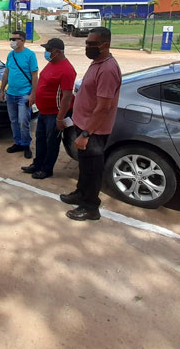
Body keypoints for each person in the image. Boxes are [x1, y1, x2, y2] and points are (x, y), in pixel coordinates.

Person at [60, 27, 121, 221]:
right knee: (85, 167)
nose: (87, 47)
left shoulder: (108, 69)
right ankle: (81, 193)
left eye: (91, 44)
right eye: (86, 43)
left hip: (93, 130)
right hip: (84, 125)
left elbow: (104, 107)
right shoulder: (97, 62)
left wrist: (86, 134)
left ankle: (90, 207)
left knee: (93, 170)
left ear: (106, 45)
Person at [21, 38, 76, 179]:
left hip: (55, 114)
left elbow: (67, 96)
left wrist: (60, 118)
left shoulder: (67, 70)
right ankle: (37, 164)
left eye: (48, 50)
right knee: (40, 140)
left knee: (51, 143)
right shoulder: (52, 63)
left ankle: (46, 169)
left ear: (57, 52)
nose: (46, 53)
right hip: (44, 112)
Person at [0, 30, 38, 159]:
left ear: (23, 41)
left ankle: (26, 145)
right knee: (14, 121)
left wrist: (33, 94)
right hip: (10, 94)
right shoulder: (11, 55)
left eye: (15, 39)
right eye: (11, 39)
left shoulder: (30, 55)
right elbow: (6, 73)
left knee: (23, 121)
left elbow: (34, 76)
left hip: (24, 95)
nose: (12, 41)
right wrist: (2, 90)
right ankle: (18, 143)